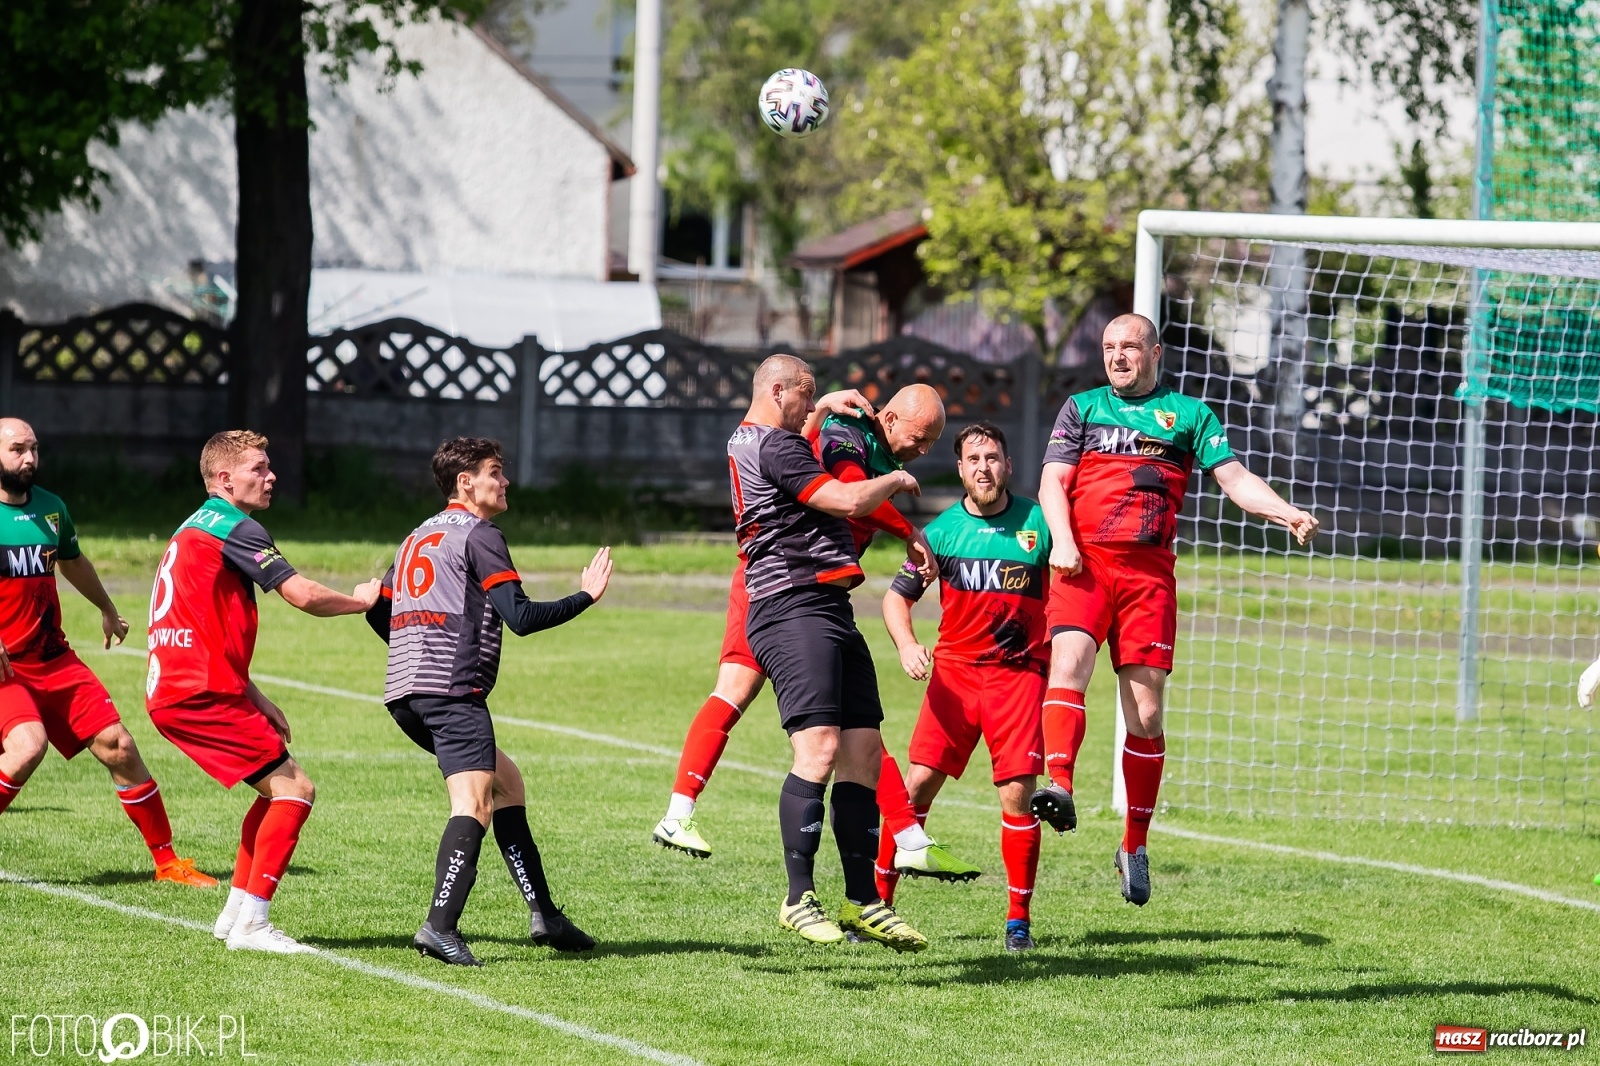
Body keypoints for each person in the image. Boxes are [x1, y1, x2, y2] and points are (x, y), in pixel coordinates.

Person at [1034, 313, 1320, 906]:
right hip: (1084, 565)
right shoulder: (1081, 408)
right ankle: (1058, 784)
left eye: (1129, 347)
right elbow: (1052, 483)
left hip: (1148, 575)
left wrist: (1285, 512)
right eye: (1109, 347)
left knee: (1146, 710)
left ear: (1155, 353)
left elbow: (1234, 478)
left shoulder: (1190, 415)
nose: (1117, 356)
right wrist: (1061, 539)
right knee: (1069, 666)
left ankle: (1133, 844)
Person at [654, 385, 980, 886]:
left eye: (933, 442)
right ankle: (680, 812)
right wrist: (907, 529)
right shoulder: (847, 434)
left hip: (815, 593)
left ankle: (910, 839)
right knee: (743, 695)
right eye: (919, 437)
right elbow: (849, 493)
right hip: (779, 582)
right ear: (889, 418)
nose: (923, 450)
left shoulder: (848, 429)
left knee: (856, 727)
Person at [365, 437, 612, 967]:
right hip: (452, 693)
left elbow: (377, 614)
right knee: (473, 805)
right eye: (496, 473)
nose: (504, 482)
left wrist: (418, 649)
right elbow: (519, 617)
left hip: (407, 694)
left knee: (507, 785)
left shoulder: (416, 536)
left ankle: (545, 914)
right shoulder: (481, 535)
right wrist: (585, 597)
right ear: (466, 483)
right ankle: (439, 927)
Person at [146, 430, 381, 953]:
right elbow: (303, 596)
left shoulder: (193, 527)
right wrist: (361, 601)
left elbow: (200, 627)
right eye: (259, 468)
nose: (271, 476)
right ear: (225, 479)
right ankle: (254, 925)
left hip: (188, 688)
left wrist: (253, 695)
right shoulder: (236, 527)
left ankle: (235, 915)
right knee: (297, 790)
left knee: (276, 790)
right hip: (198, 692)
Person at [731, 354, 928, 950]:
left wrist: (818, 405)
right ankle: (798, 896)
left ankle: (864, 898)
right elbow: (845, 501)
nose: (809, 408)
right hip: (792, 604)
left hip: (827, 609)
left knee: (863, 750)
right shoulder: (779, 447)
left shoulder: (749, 437)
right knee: (818, 748)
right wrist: (894, 482)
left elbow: (793, 424)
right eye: (804, 395)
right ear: (778, 390)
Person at [0, 418, 214, 886]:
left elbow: (73, 562)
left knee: (119, 746)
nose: (29, 459)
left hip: (52, 658)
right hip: (5, 668)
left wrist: (107, 607)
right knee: (26, 749)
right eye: (18, 449)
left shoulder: (51, 510)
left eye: (34, 449)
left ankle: (167, 863)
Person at [881, 423, 1050, 952]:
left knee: (1017, 795)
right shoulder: (941, 533)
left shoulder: (1041, 524)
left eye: (993, 457)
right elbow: (895, 597)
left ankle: (1018, 921)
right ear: (960, 469)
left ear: (1008, 465)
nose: (984, 467)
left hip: (1018, 678)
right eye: (973, 458)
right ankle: (878, 906)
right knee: (914, 790)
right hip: (954, 677)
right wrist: (908, 645)